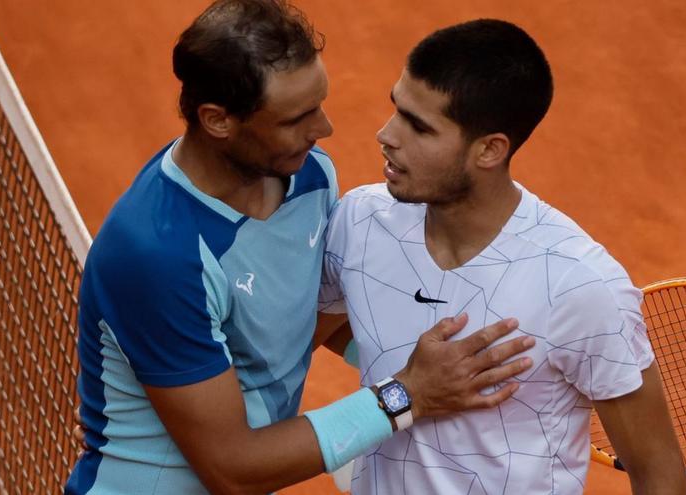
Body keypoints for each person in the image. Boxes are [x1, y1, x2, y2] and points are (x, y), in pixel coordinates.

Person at [64, 2, 537, 494]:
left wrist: (463, 367)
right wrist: (407, 392)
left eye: (319, 104)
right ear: (218, 120)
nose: (323, 129)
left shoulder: (309, 177)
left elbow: (296, 325)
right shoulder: (156, 255)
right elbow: (232, 469)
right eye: (297, 118)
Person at [319, 19, 686, 495]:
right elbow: (303, 341)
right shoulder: (360, 222)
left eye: (419, 127)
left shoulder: (580, 286)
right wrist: (414, 380)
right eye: (397, 108)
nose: (386, 134)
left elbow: (660, 475)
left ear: (490, 150)